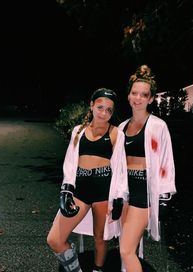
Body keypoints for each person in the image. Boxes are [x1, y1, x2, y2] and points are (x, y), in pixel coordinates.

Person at [47, 88, 128, 272]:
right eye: (100, 107)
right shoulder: (78, 131)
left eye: (109, 110)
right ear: (91, 106)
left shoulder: (116, 133)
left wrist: (118, 197)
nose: (104, 113)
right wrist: (66, 189)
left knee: (101, 237)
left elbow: (121, 168)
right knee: (54, 239)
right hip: (80, 189)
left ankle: (97, 270)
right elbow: (70, 161)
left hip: (103, 190)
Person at [118, 65, 176, 272]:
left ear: (150, 99)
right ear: (128, 95)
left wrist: (164, 196)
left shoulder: (158, 126)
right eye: (134, 93)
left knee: (125, 249)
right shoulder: (121, 127)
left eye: (144, 94)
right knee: (127, 244)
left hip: (145, 192)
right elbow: (116, 164)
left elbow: (166, 162)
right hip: (125, 192)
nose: (138, 98)